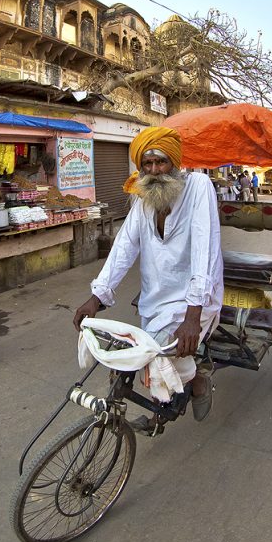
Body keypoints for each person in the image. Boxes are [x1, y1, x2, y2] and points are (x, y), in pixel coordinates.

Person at [73, 126, 224, 430]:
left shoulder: (199, 187)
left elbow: (204, 250)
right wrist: (97, 296)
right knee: (146, 354)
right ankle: (163, 409)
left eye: (162, 162)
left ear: (175, 163)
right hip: (155, 299)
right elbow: (124, 248)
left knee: (164, 353)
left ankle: (196, 382)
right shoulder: (142, 200)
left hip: (196, 298)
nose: (155, 171)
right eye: (148, 164)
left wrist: (193, 315)